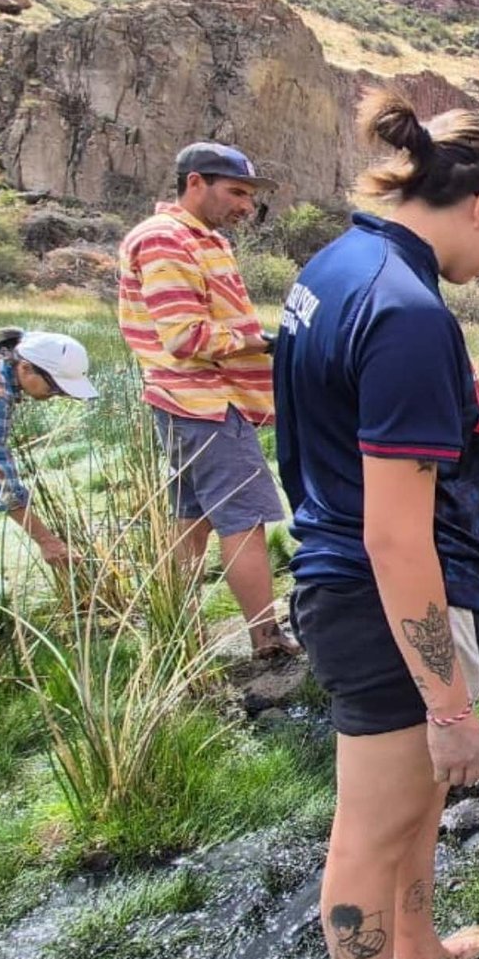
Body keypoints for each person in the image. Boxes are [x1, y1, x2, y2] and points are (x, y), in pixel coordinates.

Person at [273, 89, 479, 959]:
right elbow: (394, 532)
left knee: (419, 798)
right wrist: (450, 703)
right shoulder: (407, 309)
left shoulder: (338, 266)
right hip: (376, 596)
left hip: (358, 584)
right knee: (370, 828)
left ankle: (419, 953)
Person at [117, 141, 298, 660]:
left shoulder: (202, 237)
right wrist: (261, 342)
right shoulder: (167, 240)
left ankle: (178, 631)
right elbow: (184, 337)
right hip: (204, 403)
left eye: (249, 194)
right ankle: (266, 636)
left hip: (187, 401)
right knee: (244, 521)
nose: (246, 205)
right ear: (195, 182)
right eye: (236, 191)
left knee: (191, 518)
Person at [0, 329, 97, 565]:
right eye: (54, 386)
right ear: (26, 367)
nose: (57, 394)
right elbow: (0, 482)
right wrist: (48, 542)